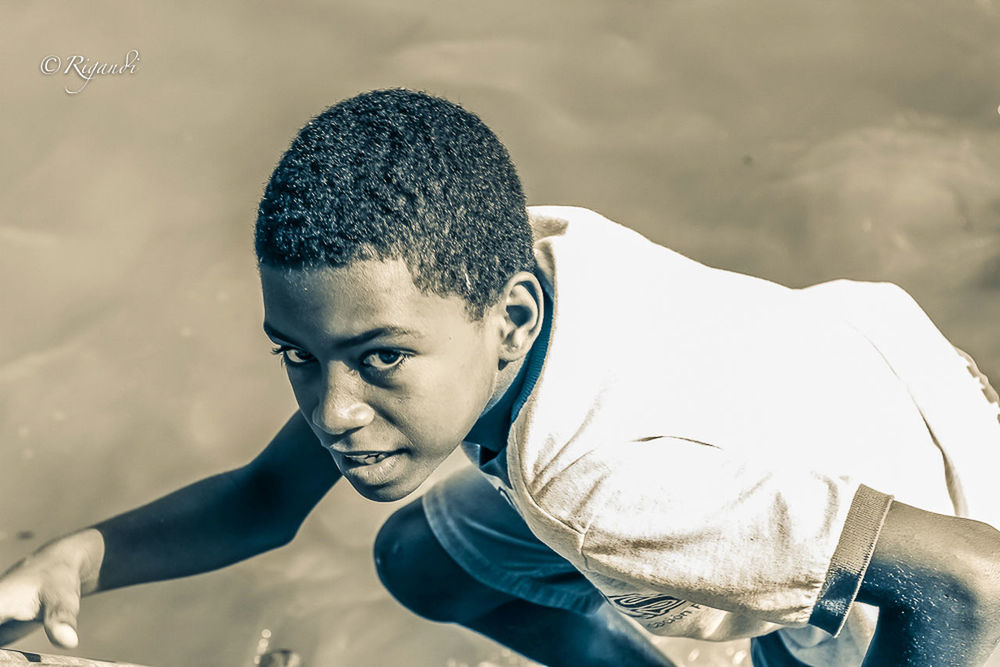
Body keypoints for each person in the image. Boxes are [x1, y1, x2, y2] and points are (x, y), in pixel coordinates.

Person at [1, 88, 999, 667]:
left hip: (949, 565)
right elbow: (267, 498)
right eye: (298, 357)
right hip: (902, 397)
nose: (334, 412)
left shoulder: (601, 489)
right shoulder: (506, 249)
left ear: (508, 317)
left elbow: (969, 582)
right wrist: (79, 560)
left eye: (379, 358)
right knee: (422, 556)